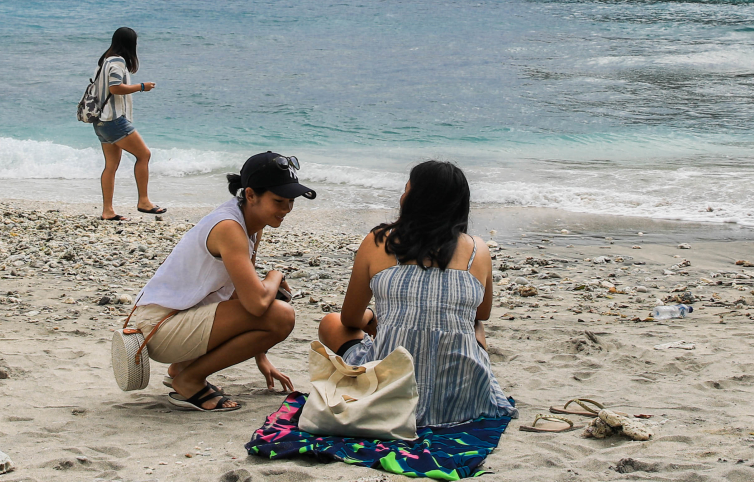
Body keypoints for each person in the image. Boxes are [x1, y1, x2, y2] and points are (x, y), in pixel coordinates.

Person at [317, 159, 513, 428]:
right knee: (475, 324)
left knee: (331, 323)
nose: (402, 195)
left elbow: (350, 319)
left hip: (389, 397)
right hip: (464, 402)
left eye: (406, 189)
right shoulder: (478, 250)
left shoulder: (378, 240)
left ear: (414, 199)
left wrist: (375, 317)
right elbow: (483, 313)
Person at [124, 151, 311, 412]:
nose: (286, 209)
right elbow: (256, 305)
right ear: (250, 195)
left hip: (174, 321)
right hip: (159, 328)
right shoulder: (230, 228)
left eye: (291, 201)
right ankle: (189, 380)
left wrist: (261, 355)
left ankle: (184, 368)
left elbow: (239, 295)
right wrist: (275, 275)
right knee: (280, 313)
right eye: (279, 201)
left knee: (272, 300)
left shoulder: (249, 223)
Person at [92, 26, 164, 220]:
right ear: (131, 44)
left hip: (100, 121)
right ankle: (144, 202)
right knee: (144, 155)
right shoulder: (118, 62)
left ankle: (107, 211)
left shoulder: (105, 61)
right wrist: (142, 86)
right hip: (113, 119)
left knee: (111, 165)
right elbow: (115, 88)